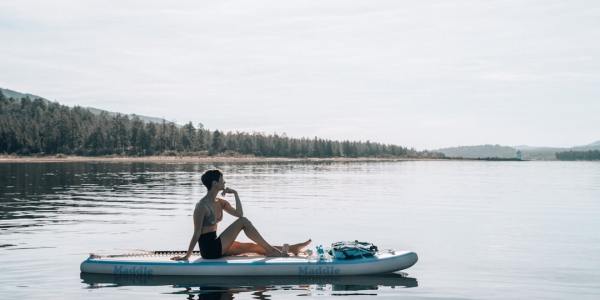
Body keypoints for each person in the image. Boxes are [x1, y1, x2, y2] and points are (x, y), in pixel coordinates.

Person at [171, 169, 311, 260]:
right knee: (243, 222)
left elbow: (239, 213)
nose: (224, 181)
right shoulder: (201, 206)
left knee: (250, 246)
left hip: (218, 243)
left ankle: (292, 248)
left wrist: (236, 194)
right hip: (209, 250)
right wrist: (186, 256)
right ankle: (272, 251)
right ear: (214, 183)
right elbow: (196, 233)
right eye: (222, 179)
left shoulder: (220, 202)